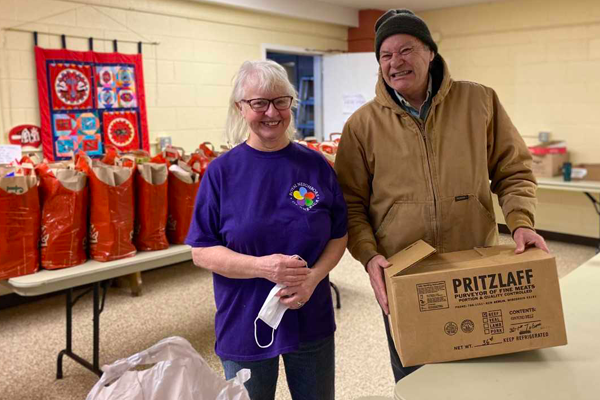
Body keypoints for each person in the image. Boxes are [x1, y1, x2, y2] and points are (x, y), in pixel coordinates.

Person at [334, 9, 549, 383]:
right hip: (405, 276)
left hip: (473, 270)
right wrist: (369, 257)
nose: (395, 62)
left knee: (481, 377)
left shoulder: (479, 101)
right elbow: (349, 203)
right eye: (385, 56)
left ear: (430, 52)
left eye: (406, 49)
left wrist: (521, 223)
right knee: (417, 380)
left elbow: (513, 170)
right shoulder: (362, 125)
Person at [185, 59, 348, 400]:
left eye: (280, 101)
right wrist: (263, 267)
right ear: (240, 108)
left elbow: (338, 234)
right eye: (259, 103)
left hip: (310, 315)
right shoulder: (221, 173)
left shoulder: (315, 165)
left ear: (291, 104)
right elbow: (201, 250)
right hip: (244, 322)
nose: (271, 112)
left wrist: (314, 277)